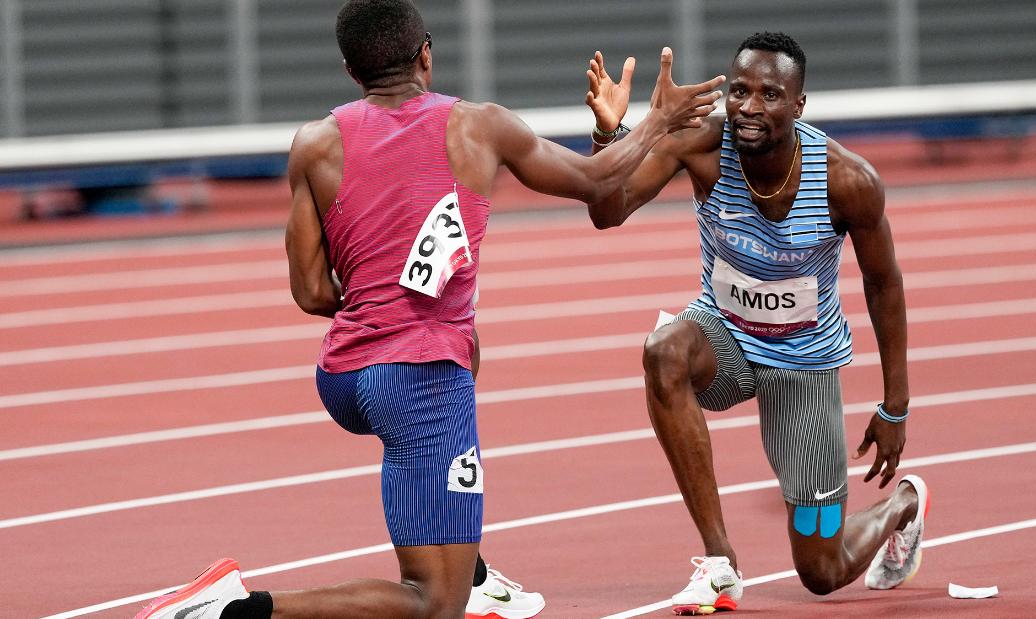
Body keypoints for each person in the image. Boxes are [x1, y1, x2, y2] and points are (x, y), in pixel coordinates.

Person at [133, 1, 724, 618]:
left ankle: (473, 566)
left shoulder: (314, 144)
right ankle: (232, 608)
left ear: (350, 70)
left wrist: (379, 299)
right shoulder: (480, 127)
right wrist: (654, 123)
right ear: (426, 54)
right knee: (433, 603)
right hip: (416, 380)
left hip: (344, 378)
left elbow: (309, 292)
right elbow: (599, 181)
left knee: (462, 355)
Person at [583, 32, 929, 614]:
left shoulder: (848, 180)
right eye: (738, 90)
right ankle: (721, 565)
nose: (748, 106)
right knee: (663, 350)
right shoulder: (699, 146)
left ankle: (903, 507)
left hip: (805, 362)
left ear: (798, 105)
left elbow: (884, 285)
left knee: (822, 571)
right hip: (725, 335)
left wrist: (895, 406)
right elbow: (606, 212)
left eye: (770, 94)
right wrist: (611, 134)